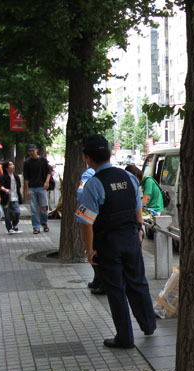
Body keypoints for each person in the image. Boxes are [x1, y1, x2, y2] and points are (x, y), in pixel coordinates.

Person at [76, 134, 156, 349]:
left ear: (87, 158)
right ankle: (148, 325)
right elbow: (137, 208)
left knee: (116, 289)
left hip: (108, 242)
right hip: (131, 237)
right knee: (138, 282)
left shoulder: (93, 184)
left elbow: (86, 222)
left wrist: (89, 250)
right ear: (110, 154)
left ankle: (125, 338)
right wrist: (138, 232)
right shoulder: (129, 177)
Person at [77, 164, 105, 295]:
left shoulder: (88, 175)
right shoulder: (118, 175)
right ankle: (98, 279)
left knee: (94, 252)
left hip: (93, 216)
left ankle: (101, 281)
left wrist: (88, 251)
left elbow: (80, 193)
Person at [23, 144, 51, 234]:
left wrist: (47, 182)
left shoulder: (42, 160)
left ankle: (44, 223)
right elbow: (26, 177)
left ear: (36, 150)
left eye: (33, 150)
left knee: (44, 207)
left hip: (41, 187)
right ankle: (36, 227)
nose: (32, 152)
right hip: (32, 187)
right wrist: (26, 189)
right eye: (30, 151)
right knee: (33, 209)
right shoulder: (27, 162)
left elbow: (49, 172)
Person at [0, 161, 23, 234]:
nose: (13, 166)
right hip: (6, 198)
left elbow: (19, 187)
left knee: (17, 213)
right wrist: (5, 189)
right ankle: (9, 228)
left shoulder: (16, 176)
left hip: (15, 197)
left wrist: (20, 196)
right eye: (11, 165)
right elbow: (0, 186)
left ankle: (15, 224)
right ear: (6, 168)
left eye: (13, 164)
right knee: (7, 215)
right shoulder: (3, 177)